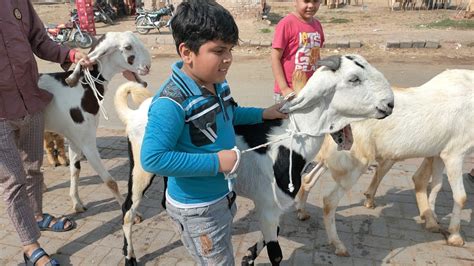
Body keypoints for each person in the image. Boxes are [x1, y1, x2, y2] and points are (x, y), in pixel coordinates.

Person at [140, 0, 287, 264]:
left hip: (221, 196)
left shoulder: (216, 84)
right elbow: (153, 159)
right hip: (197, 210)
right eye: (219, 51)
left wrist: (263, 114)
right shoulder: (170, 103)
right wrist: (217, 162)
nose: (228, 58)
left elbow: (231, 114)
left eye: (230, 49)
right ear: (187, 53)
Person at [0, 1, 92, 265]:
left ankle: (37, 215)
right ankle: (30, 247)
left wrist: (70, 55)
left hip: (29, 100)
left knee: (33, 167)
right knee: (13, 180)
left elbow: (39, 39)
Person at [271, 0, 324, 103]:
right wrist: (284, 88)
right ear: (295, 1)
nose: (311, 6)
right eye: (306, 1)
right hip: (289, 93)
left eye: (316, 1)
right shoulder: (286, 24)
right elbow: (275, 58)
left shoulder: (317, 25)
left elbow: (316, 57)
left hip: (310, 91)